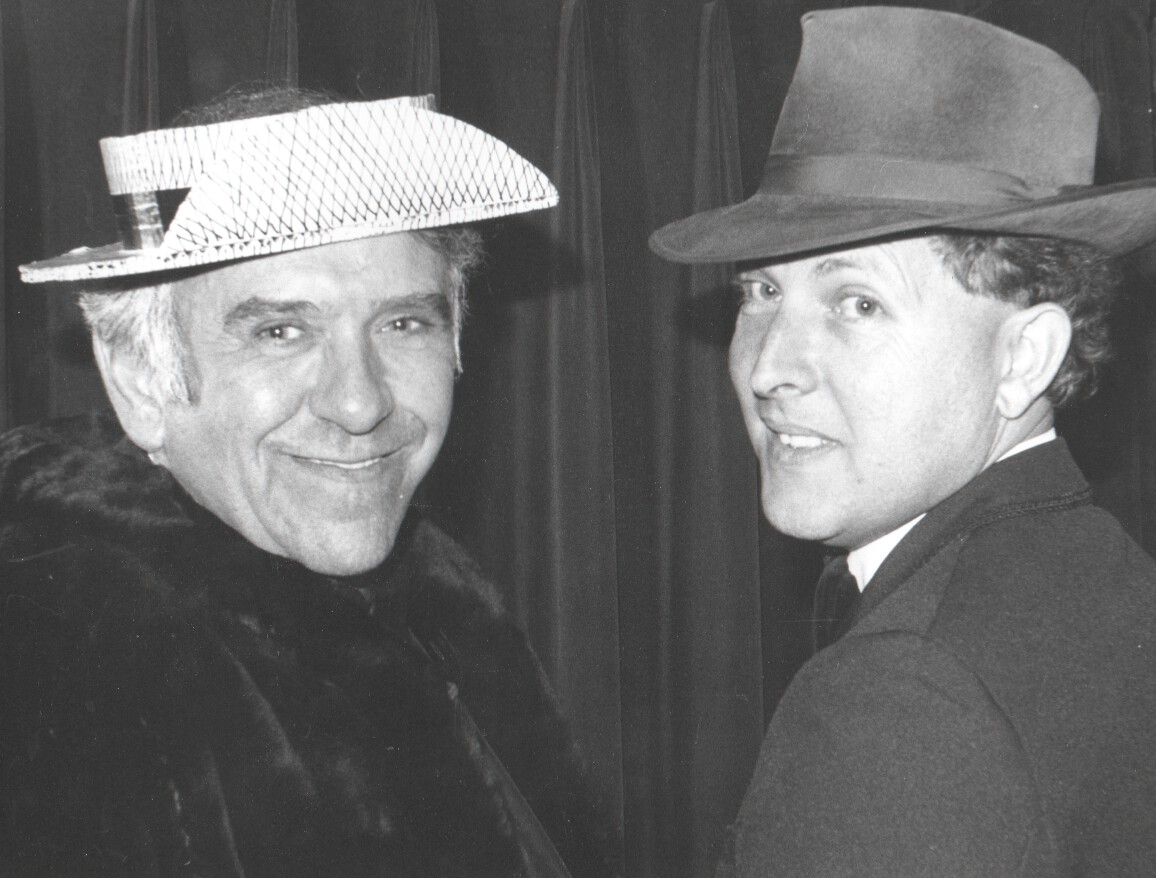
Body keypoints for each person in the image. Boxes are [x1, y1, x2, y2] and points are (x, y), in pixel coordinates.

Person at [0, 88, 617, 877]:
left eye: (403, 323)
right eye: (281, 332)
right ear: (142, 381)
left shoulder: (438, 599)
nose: (360, 403)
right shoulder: (61, 663)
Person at [651, 7, 1156, 876]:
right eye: (760, 292)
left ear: (1023, 358)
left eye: (858, 302)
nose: (768, 368)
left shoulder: (902, 695)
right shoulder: (1108, 577)